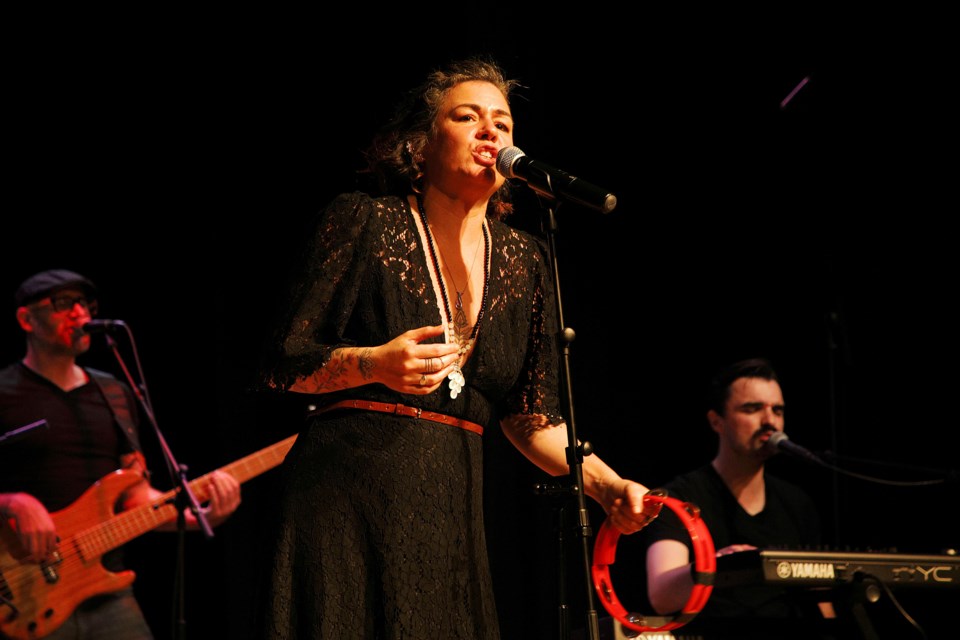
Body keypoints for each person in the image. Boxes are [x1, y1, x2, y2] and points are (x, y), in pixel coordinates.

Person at [251, 56, 661, 639]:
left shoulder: (524, 260)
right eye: (468, 117)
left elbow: (530, 415)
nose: (490, 130)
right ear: (420, 145)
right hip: (344, 505)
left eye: (504, 123)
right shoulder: (365, 221)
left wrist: (608, 485)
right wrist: (373, 363)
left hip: (450, 515)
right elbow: (280, 364)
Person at [0, 268, 242, 640]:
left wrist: (200, 514)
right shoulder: (4, 391)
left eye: (85, 304)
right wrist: (11, 501)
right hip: (24, 592)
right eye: (64, 303)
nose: (80, 313)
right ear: (26, 318)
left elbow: (134, 497)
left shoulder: (114, 393)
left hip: (108, 592)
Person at [640, 357, 836, 638]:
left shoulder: (797, 503)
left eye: (777, 410)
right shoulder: (681, 496)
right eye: (752, 408)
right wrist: (719, 567)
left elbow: (823, 607)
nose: (770, 421)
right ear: (716, 421)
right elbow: (662, 595)